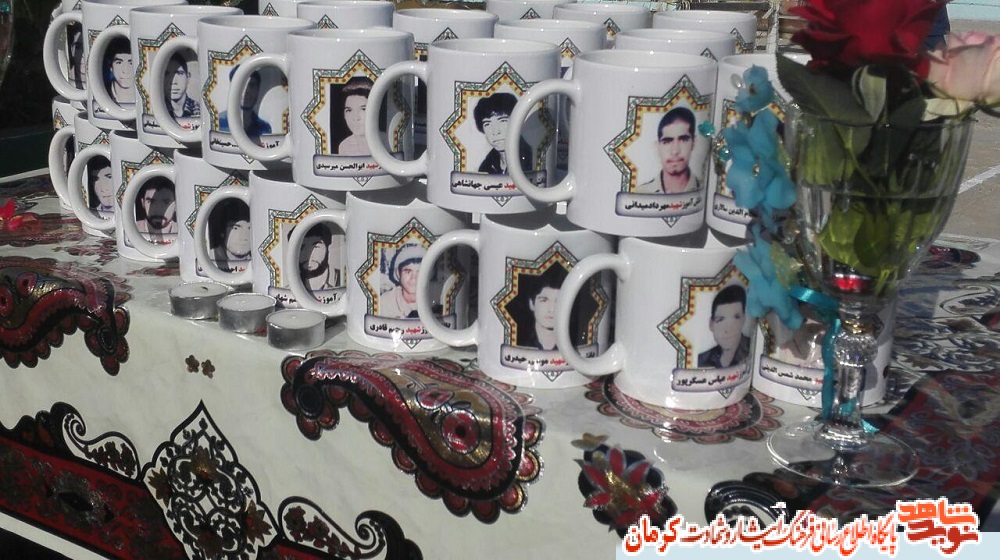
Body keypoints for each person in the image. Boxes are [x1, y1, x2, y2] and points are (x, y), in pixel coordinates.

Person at [636, 107, 700, 194]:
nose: (675, 151)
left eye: (683, 140)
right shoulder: (641, 193)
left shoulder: (704, 188)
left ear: (693, 143)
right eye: (667, 142)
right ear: (657, 147)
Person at [473, 92, 532, 175]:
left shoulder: (531, 158)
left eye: (502, 121)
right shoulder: (486, 166)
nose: (495, 132)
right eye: (487, 124)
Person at [698, 284, 751, 368]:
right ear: (711, 324)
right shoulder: (701, 360)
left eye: (736, 318)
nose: (728, 330)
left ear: (743, 319)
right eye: (720, 320)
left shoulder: (755, 350)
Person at [516, 265, 568, 351]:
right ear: (531, 304)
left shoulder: (573, 340)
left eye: (558, 301)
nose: (552, 309)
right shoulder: (521, 340)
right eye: (544, 300)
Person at [219, 66, 272, 136]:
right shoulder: (219, 121)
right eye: (241, 85)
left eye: (252, 85)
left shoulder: (264, 128)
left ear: (258, 89)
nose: (247, 91)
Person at [331, 76, 373, 156]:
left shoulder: (387, 140)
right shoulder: (344, 146)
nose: (355, 117)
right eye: (349, 110)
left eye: (363, 109)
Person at [379, 243, 423, 319]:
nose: (413, 278)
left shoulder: (435, 299)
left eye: (419, 272)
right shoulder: (385, 302)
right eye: (408, 271)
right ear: (398, 273)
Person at [208, 199, 251, 273]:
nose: (244, 236)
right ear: (222, 232)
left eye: (249, 228)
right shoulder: (207, 258)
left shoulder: (259, 261)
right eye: (236, 228)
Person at [295, 223, 338, 292]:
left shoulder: (344, 280)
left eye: (316, 247)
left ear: (328, 248)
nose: (308, 254)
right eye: (302, 247)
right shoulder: (287, 290)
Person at [164, 54, 200, 119]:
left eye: (179, 73)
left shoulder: (199, 109)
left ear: (188, 77)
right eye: (167, 74)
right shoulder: (158, 108)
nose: (173, 82)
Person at [105, 37, 135, 104]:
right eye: (119, 63)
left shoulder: (149, 93)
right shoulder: (101, 92)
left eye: (131, 63)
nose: (125, 70)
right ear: (111, 67)